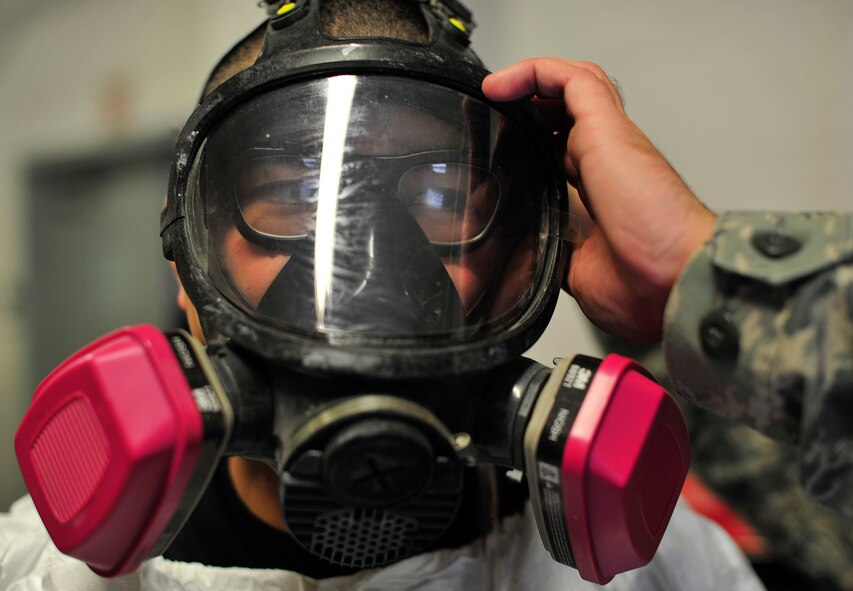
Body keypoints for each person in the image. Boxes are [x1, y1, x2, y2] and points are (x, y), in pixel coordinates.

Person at [2, 1, 769, 590]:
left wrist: (690, 276)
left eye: (440, 195)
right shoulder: (53, 568)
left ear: (516, 255)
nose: (369, 255)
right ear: (188, 259)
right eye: (298, 187)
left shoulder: (643, 566)